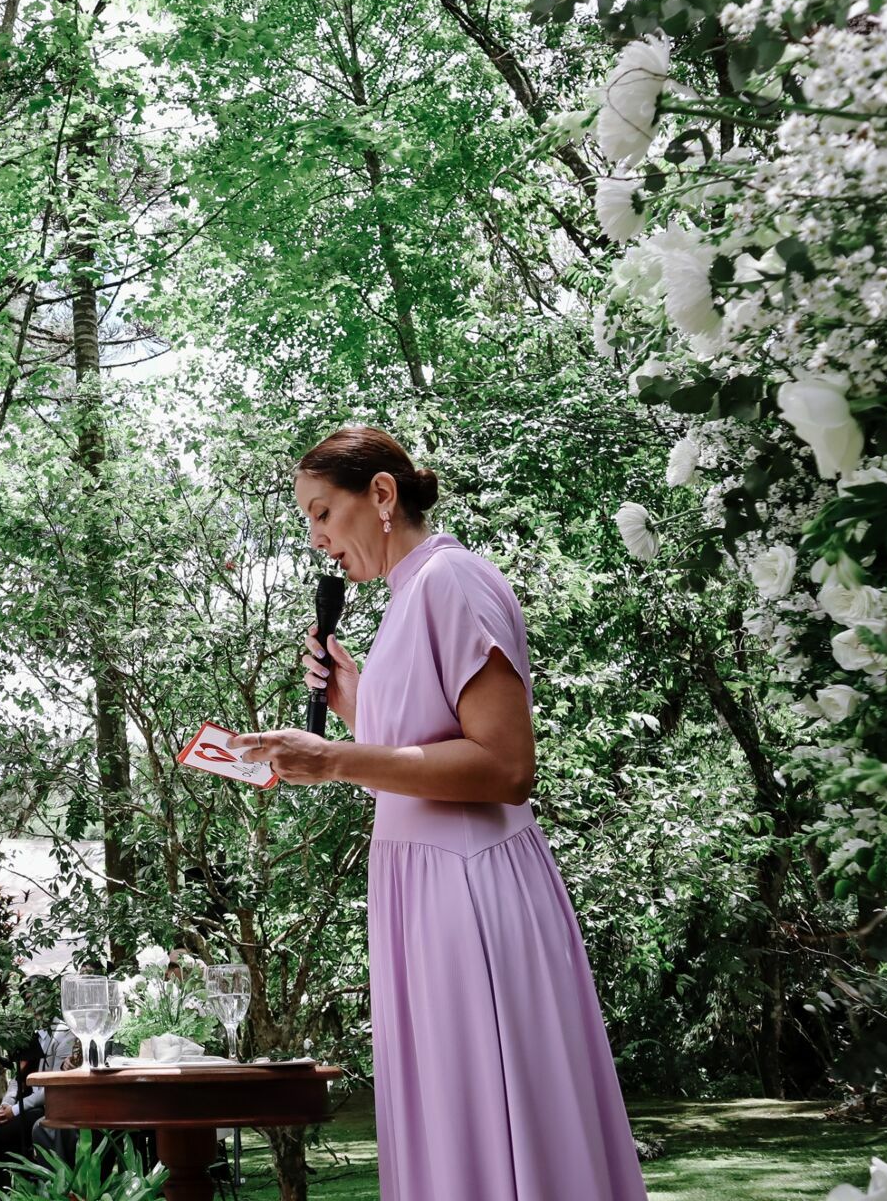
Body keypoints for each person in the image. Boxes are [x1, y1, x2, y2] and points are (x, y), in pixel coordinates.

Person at [231, 426, 649, 1201]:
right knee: (450, 1120)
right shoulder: (405, 602)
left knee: (496, 1110)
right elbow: (420, 759)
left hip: (471, 894)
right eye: (308, 523)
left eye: (323, 513)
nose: (319, 540)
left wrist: (334, 760)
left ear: (382, 495)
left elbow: (505, 766)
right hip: (419, 894)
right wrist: (351, 702)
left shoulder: (452, 580)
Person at [0, 1018, 74, 1187]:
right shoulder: (30, 1033)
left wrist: (14, 1111)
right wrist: (6, 1104)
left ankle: (29, 1178)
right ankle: (11, 1186)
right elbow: (18, 1077)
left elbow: (55, 1087)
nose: (31, 1007)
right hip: (24, 1102)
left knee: (4, 1136)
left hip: (45, 1106)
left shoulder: (64, 1034)